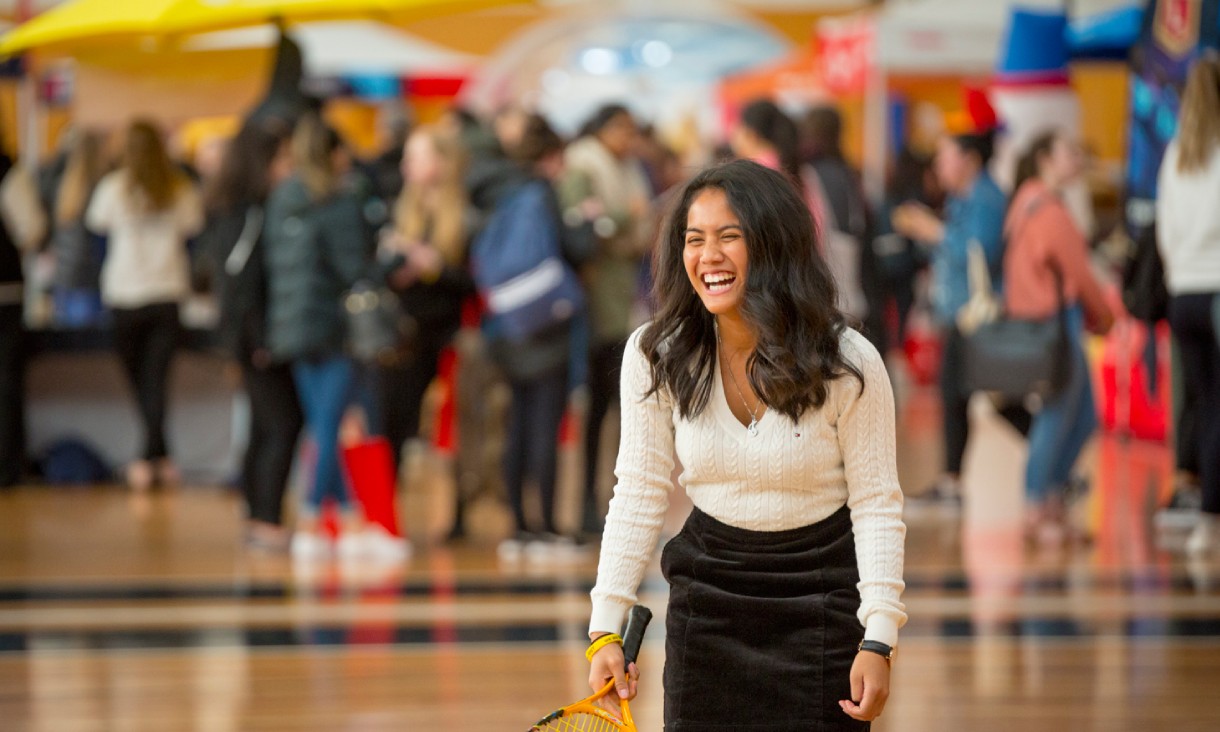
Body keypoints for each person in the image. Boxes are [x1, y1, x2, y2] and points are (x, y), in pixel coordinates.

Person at [586, 160, 906, 730]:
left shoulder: (849, 361)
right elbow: (637, 491)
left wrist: (879, 637)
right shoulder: (656, 354)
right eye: (694, 239)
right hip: (706, 604)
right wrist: (605, 626)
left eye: (728, 236)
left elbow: (877, 503)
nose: (708, 256)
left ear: (773, 244)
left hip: (822, 604)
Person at [263, 113, 397, 561]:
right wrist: (392, 261)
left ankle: (349, 520)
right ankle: (309, 522)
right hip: (334, 326)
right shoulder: (338, 201)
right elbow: (354, 268)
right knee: (328, 425)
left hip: (290, 325)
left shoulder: (283, 198)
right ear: (335, 154)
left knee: (324, 422)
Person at [893, 90, 1027, 502]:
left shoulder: (986, 198)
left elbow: (979, 251)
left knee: (985, 394)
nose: (938, 163)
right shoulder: (964, 197)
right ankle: (954, 480)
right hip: (962, 314)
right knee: (971, 394)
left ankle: (1049, 467)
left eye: (945, 154)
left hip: (976, 316)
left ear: (969, 158)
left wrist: (930, 229)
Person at [485, 114, 596, 559]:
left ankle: (518, 528)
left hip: (506, 320)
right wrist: (586, 223)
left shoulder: (496, 190)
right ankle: (547, 528)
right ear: (550, 157)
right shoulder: (542, 193)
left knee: (517, 424)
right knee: (545, 426)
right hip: (547, 322)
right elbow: (575, 248)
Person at [1005, 130, 1115, 546]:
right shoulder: (1049, 209)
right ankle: (1038, 505)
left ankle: (1050, 500)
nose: (1078, 159)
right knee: (1059, 413)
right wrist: (1104, 315)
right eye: (1070, 151)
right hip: (1058, 321)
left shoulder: (1025, 202)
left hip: (1038, 321)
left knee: (1082, 413)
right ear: (1045, 159)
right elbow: (1080, 272)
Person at [85, 119, 204, 491]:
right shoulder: (180, 188)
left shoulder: (112, 188)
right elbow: (193, 238)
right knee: (154, 380)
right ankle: (159, 455)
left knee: (142, 380)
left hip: (125, 294)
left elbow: (96, 236)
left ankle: (147, 457)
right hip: (167, 292)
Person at [200, 120, 303, 552]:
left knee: (265, 424)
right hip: (257, 336)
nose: (290, 166)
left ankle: (258, 511)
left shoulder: (236, 208)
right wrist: (257, 339)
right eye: (283, 157)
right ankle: (266, 516)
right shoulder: (251, 214)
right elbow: (241, 283)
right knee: (282, 423)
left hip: (249, 334)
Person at [559, 104, 652, 537]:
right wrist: (627, 216)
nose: (629, 139)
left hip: (623, 300)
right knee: (595, 409)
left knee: (622, 409)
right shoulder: (583, 167)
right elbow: (582, 228)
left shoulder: (628, 169)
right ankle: (585, 507)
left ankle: (615, 504)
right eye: (622, 130)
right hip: (593, 305)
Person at [378, 124, 477, 527]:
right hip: (405, 334)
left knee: (455, 429)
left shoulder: (466, 216)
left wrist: (433, 266)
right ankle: (388, 517)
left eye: (416, 157)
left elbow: (473, 282)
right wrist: (397, 265)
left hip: (451, 335)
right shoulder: (400, 211)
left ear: (442, 161)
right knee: (395, 423)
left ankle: (457, 515)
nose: (406, 166)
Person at [1155, 53, 1220, 555]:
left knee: (1199, 400)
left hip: (1182, 295)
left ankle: (1196, 499)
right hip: (1216, 288)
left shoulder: (1176, 154)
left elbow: (1165, 231)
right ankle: (1210, 516)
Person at [0, 152, 47, 488]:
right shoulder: (8, 172)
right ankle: (7, 465)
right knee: (6, 381)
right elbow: (31, 228)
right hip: (5, 289)